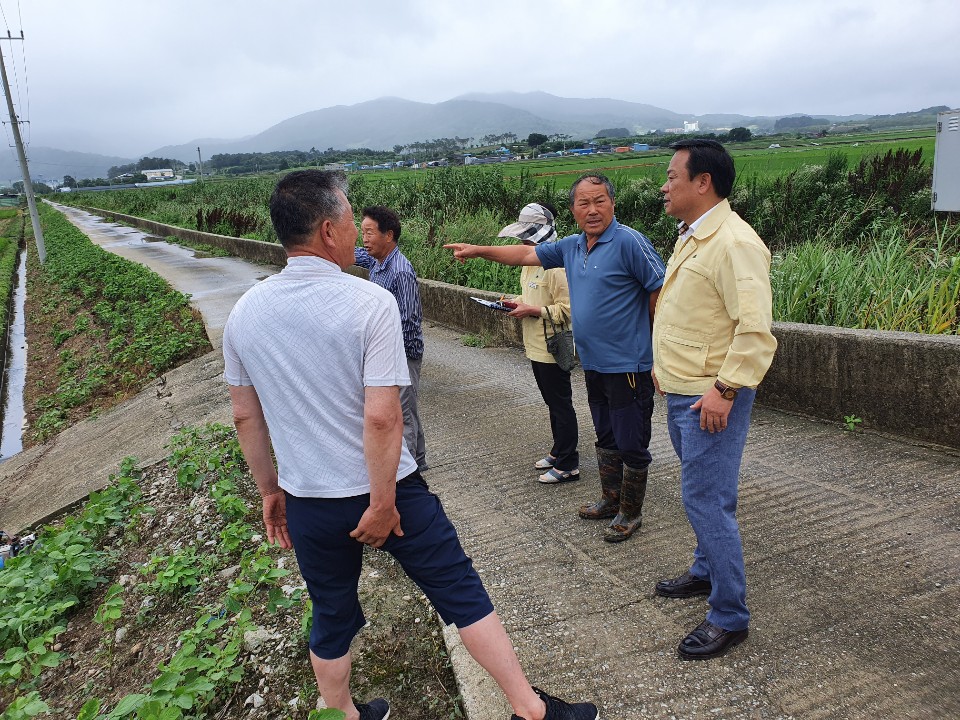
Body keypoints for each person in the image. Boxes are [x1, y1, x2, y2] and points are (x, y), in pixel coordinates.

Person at [223, 170, 598, 720]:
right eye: (352, 221)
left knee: (330, 613)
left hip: (307, 499)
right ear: (329, 230)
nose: (358, 232)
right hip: (391, 495)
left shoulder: (244, 313)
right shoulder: (367, 301)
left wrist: (269, 490)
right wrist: (380, 503)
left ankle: (343, 714)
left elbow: (244, 415)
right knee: (460, 592)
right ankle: (529, 710)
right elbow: (381, 418)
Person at [446, 174, 665, 542]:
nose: (592, 209)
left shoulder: (629, 242)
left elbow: (661, 289)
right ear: (573, 210)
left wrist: (657, 351)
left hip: (628, 364)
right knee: (606, 435)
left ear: (612, 203)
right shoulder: (572, 246)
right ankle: (610, 500)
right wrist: (479, 249)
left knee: (631, 440)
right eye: (584, 203)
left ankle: (631, 511)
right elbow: (525, 253)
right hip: (593, 363)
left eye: (600, 200)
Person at [652, 139, 777, 660]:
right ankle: (706, 572)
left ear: (702, 182)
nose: (664, 185)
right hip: (683, 390)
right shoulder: (693, 233)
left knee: (706, 500)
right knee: (701, 494)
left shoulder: (734, 242)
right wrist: (665, 369)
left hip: (710, 396)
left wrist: (725, 389)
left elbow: (756, 332)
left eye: (672, 175)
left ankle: (730, 615)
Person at [497, 202, 579, 484]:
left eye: (526, 236)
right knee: (551, 402)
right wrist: (516, 302)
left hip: (553, 346)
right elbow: (532, 298)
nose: (522, 241)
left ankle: (569, 463)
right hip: (534, 344)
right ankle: (558, 451)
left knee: (561, 405)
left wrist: (533, 311)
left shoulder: (556, 267)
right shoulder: (529, 263)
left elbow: (569, 310)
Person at [353, 206, 428, 472]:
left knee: (401, 413)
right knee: (408, 408)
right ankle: (418, 459)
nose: (365, 239)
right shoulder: (377, 261)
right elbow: (354, 254)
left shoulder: (400, 270)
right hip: (392, 350)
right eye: (362, 232)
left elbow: (409, 319)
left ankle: (406, 473)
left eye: (370, 232)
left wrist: (395, 356)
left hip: (403, 352)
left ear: (389, 235)